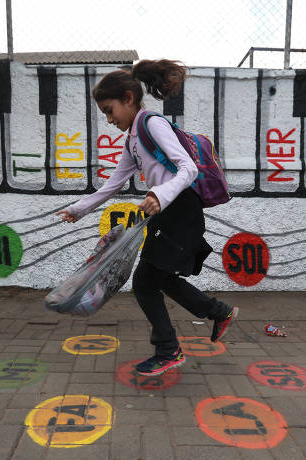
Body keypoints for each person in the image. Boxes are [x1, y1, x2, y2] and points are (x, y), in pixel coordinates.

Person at [56, 59, 238, 377]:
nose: (109, 119)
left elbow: (188, 168)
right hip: (167, 211)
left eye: (110, 110)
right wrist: (78, 209)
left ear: (128, 98)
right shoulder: (132, 139)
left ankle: (169, 350)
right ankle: (218, 313)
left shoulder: (152, 124)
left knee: (144, 283)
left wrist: (159, 194)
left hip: (180, 209)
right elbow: (112, 185)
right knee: (159, 279)